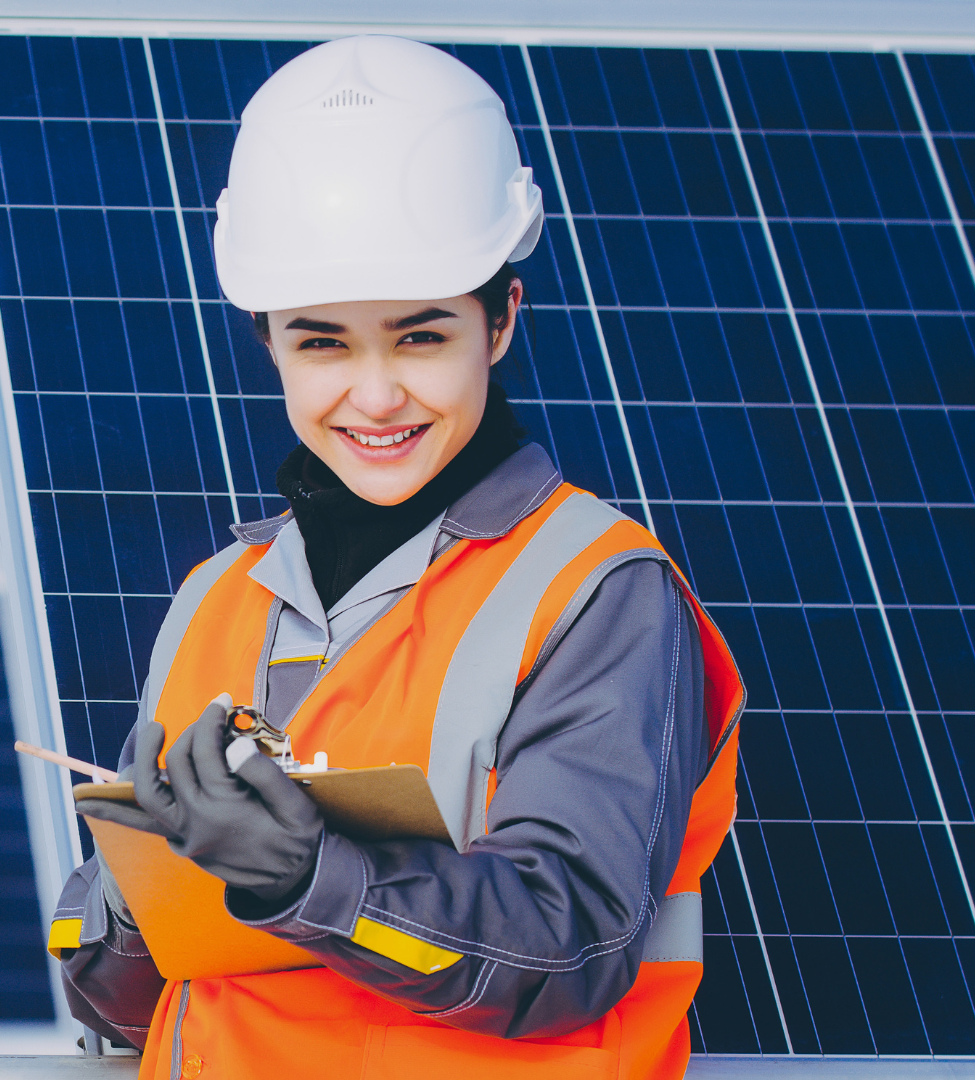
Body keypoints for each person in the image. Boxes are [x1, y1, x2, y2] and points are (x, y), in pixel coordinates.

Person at [51, 35, 743, 1080]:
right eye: (322, 342)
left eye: (421, 338)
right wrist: (145, 887)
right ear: (268, 338)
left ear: (501, 320)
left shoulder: (597, 590)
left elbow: (574, 948)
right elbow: (119, 1002)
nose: (374, 398)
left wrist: (301, 879)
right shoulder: (212, 600)